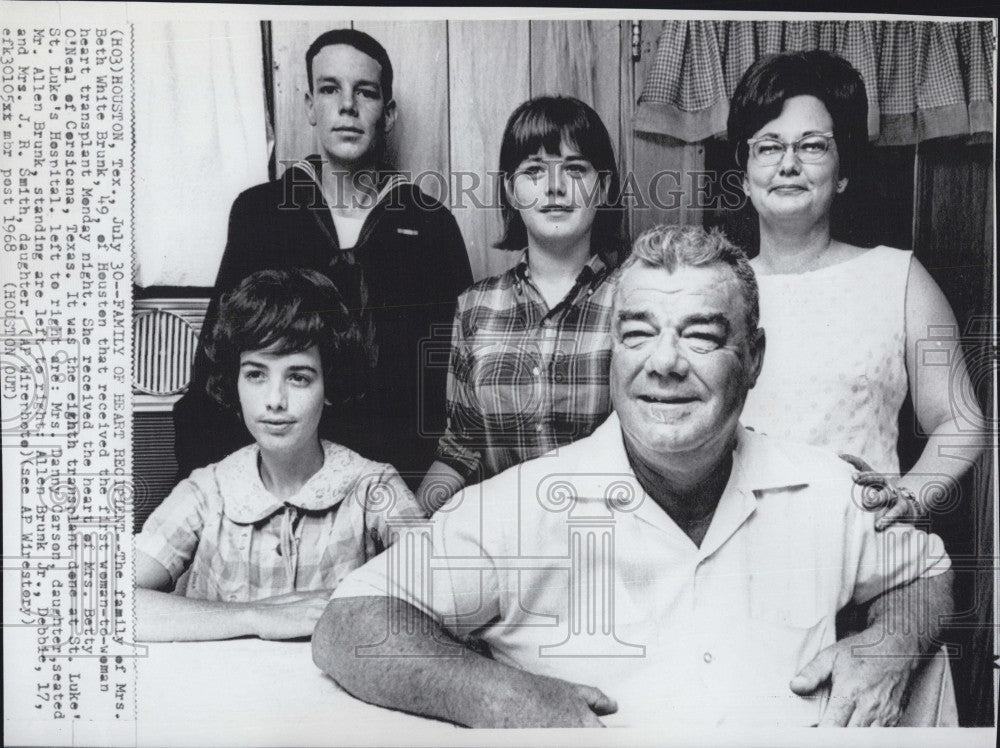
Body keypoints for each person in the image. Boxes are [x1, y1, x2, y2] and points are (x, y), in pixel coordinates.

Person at [313, 225, 953, 727]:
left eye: (701, 336)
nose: (664, 363)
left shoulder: (828, 490)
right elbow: (351, 623)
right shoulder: (520, 507)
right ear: (611, 352)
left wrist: (889, 644)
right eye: (638, 335)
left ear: (753, 358)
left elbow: (925, 571)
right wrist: (502, 699)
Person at [173, 28, 472, 488]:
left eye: (365, 92)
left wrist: (426, 488)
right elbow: (218, 360)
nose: (347, 105)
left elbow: (455, 373)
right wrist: (216, 485)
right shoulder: (261, 212)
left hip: (393, 479)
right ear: (311, 105)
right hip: (272, 475)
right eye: (330, 89)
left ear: (387, 113)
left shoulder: (429, 224)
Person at [728, 50, 984, 527]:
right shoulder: (716, 287)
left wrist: (910, 493)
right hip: (737, 550)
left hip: (865, 552)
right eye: (768, 146)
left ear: (842, 173)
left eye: (812, 146)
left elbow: (961, 420)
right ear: (744, 176)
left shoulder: (899, 278)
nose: (788, 164)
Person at [136, 269, 423, 642]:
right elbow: (103, 606)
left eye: (298, 377)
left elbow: (448, 602)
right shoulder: (207, 491)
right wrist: (254, 617)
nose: (274, 400)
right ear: (234, 381)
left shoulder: (373, 488)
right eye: (256, 374)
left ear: (329, 385)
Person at [416, 96, 626, 512]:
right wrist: (409, 521)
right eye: (533, 171)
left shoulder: (634, 297)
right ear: (512, 191)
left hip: (611, 534)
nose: (554, 187)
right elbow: (461, 448)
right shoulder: (475, 307)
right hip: (508, 539)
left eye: (575, 169)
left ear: (601, 188)